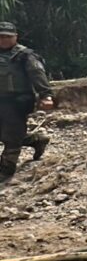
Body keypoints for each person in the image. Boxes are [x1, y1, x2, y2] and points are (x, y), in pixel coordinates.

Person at [0, 22, 55, 183]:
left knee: (11, 136)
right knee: (7, 133)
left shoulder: (24, 55)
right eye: (1, 36)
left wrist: (46, 95)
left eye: (7, 36)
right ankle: (37, 140)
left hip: (16, 102)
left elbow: (38, 74)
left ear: (15, 37)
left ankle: (6, 170)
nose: (3, 40)